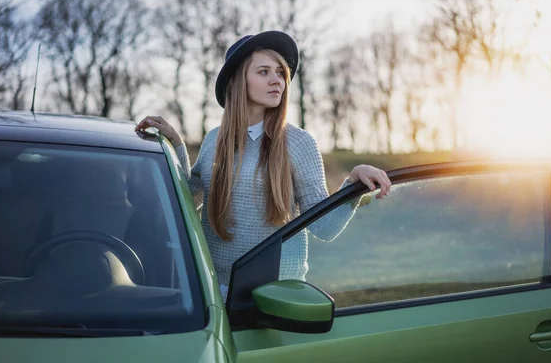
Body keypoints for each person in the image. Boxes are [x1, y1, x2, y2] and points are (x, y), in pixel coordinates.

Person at [136, 31, 391, 300]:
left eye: (281, 73)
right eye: (264, 71)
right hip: (212, 292)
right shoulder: (214, 140)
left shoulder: (300, 143)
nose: (276, 80)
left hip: (276, 296)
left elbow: (324, 228)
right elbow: (187, 203)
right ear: (238, 80)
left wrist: (353, 183)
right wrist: (176, 144)